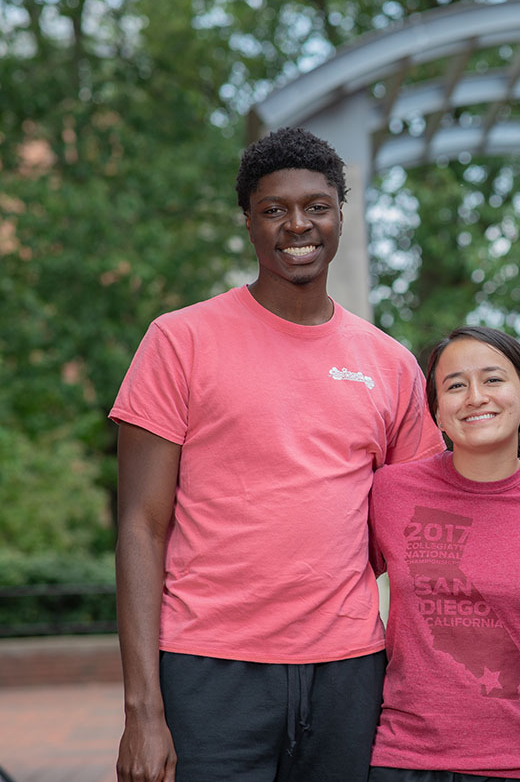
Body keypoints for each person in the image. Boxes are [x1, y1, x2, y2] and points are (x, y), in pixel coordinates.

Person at [110, 127, 445, 782]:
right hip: (208, 669)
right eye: (275, 209)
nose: (299, 224)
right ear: (250, 222)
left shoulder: (392, 364)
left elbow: (409, 536)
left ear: (342, 215)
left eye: (317, 206)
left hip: (349, 670)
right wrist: (143, 710)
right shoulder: (179, 341)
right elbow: (140, 528)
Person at [368, 326, 520, 782]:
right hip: (403, 759)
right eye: (455, 385)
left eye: (493, 380)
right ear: (436, 413)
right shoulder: (391, 492)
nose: (475, 397)